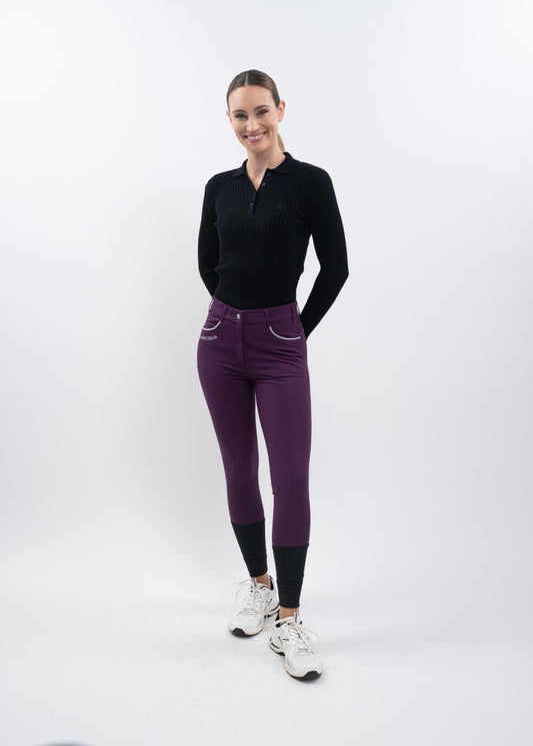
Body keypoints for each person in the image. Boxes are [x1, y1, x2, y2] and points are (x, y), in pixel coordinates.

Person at [197, 69, 348, 680]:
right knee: (239, 468)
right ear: (229, 120)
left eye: (261, 111)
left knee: (290, 477)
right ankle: (259, 586)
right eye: (240, 115)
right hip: (219, 341)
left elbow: (335, 268)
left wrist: (294, 330)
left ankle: (290, 617)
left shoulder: (310, 183)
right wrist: (233, 316)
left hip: (281, 342)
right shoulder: (219, 187)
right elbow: (208, 264)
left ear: (281, 110)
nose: (252, 125)